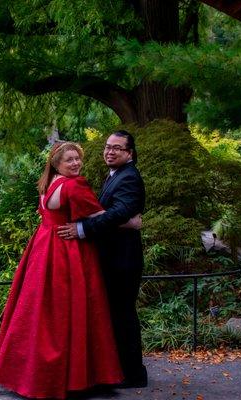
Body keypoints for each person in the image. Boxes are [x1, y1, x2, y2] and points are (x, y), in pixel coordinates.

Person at [0, 141, 139, 399]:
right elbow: (99, 216)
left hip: (43, 247)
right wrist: (131, 223)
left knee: (41, 310)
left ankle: (30, 373)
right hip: (67, 251)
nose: (76, 163)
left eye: (77, 158)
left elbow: (48, 214)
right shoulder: (74, 185)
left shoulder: (48, 184)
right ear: (57, 163)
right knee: (70, 310)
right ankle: (72, 377)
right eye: (69, 160)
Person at [57, 130, 148, 388]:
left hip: (122, 260)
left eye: (117, 148)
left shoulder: (129, 177)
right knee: (115, 315)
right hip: (111, 257)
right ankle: (119, 371)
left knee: (123, 315)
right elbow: (111, 214)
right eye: (108, 147)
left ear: (129, 153)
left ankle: (133, 375)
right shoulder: (115, 175)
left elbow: (118, 212)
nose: (110, 151)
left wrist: (81, 229)